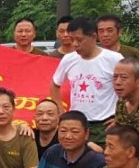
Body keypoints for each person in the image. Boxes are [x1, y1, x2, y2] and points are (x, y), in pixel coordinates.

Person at [50, 17, 123, 145]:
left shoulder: (114, 59)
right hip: (77, 123)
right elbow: (55, 84)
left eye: (79, 40)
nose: (75, 44)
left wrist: (121, 116)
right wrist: (60, 110)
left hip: (104, 124)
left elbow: (131, 90)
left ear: (93, 37)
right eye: (72, 40)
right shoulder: (68, 59)